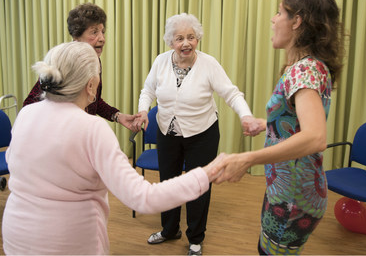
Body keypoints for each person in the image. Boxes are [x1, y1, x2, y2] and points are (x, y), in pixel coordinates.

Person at [2, 42, 224, 255]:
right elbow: (142, 197)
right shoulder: (92, 128)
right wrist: (207, 173)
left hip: (16, 235)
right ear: (91, 85)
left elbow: (15, 163)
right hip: (67, 242)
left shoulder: (26, 114)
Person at [213, 0, 345, 255]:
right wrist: (268, 124)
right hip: (290, 190)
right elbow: (298, 122)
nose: (273, 19)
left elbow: (315, 137)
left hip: (294, 197)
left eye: (279, 12)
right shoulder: (310, 66)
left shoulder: (304, 69)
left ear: (297, 21)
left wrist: (247, 158)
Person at [132, 13, 260, 255]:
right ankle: (169, 230)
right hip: (167, 132)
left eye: (191, 37)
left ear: (198, 39)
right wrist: (142, 111)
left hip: (202, 134)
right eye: (179, 38)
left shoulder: (209, 64)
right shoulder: (160, 61)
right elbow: (148, 90)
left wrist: (246, 116)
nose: (186, 43)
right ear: (170, 42)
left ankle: (195, 238)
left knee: (198, 185)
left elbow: (231, 94)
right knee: (168, 182)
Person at [23, 3, 135, 130]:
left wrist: (117, 116)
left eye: (103, 32)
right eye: (94, 32)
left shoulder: (94, 61)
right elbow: (30, 104)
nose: (102, 38)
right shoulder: (62, 61)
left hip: (83, 132)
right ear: (76, 36)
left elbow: (93, 100)